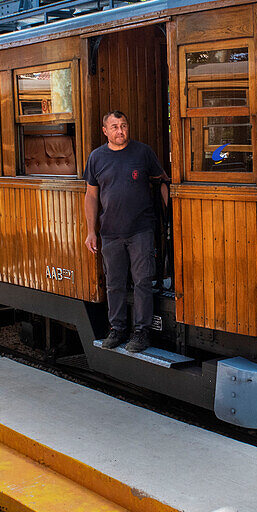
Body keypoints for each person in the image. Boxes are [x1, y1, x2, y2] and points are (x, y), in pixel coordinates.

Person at [84, 111, 169, 353]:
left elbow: (162, 180)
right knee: (114, 283)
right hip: (110, 232)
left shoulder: (142, 152)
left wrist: (170, 218)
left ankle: (141, 333)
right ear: (105, 131)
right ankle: (117, 329)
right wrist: (91, 231)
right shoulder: (96, 158)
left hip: (140, 229)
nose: (120, 131)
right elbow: (91, 195)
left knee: (142, 282)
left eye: (123, 125)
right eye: (114, 127)